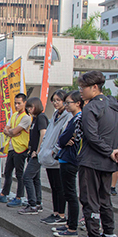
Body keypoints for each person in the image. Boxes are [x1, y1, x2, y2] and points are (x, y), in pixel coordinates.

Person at [73, 71, 118, 237]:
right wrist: (113, 150)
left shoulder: (91, 107)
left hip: (92, 159)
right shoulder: (116, 106)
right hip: (109, 160)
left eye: (83, 87)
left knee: (89, 199)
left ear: (94, 87)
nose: (81, 91)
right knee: (105, 198)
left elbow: (91, 135)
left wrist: (108, 151)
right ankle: (109, 233)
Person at [38, 90, 72, 225]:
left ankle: (61, 214)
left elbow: (64, 135)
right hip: (48, 154)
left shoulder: (68, 116)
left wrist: (55, 150)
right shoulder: (55, 115)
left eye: (59, 100)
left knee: (60, 187)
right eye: (54, 100)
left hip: (57, 156)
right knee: (53, 186)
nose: (56, 102)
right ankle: (55, 212)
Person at [53, 91, 83, 237]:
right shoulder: (72, 118)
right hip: (65, 158)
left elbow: (64, 138)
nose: (66, 105)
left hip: (71, 159)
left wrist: (64, 140)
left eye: (68, 102)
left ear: (78, 103)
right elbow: (62, 138)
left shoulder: (78, 118)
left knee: (70, 194)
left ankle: (72, 227)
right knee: (67, 192)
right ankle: (68, 224)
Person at [0, 93, 31, 206]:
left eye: (19, 103)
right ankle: (4, 193)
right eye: (15, 103)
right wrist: (12, 132)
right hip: (12, 147)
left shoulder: (26, 118)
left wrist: (12, 132)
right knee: (7, 171)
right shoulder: (14, 115)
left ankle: (19, 197)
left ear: (24, 103)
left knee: (19, 174)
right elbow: (6, 129)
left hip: (21, 148)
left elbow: (12, 131)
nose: (17, 105)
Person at [17, 97, 48, 215]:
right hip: (33, 152)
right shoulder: (34, 119)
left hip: (37, 153)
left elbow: (43, 134)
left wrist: (38, 150)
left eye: (31, 107)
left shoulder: (41, 117)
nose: (29, 110)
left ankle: (32, 204)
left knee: (27, 177)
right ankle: (37, 202)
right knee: (35, 178)